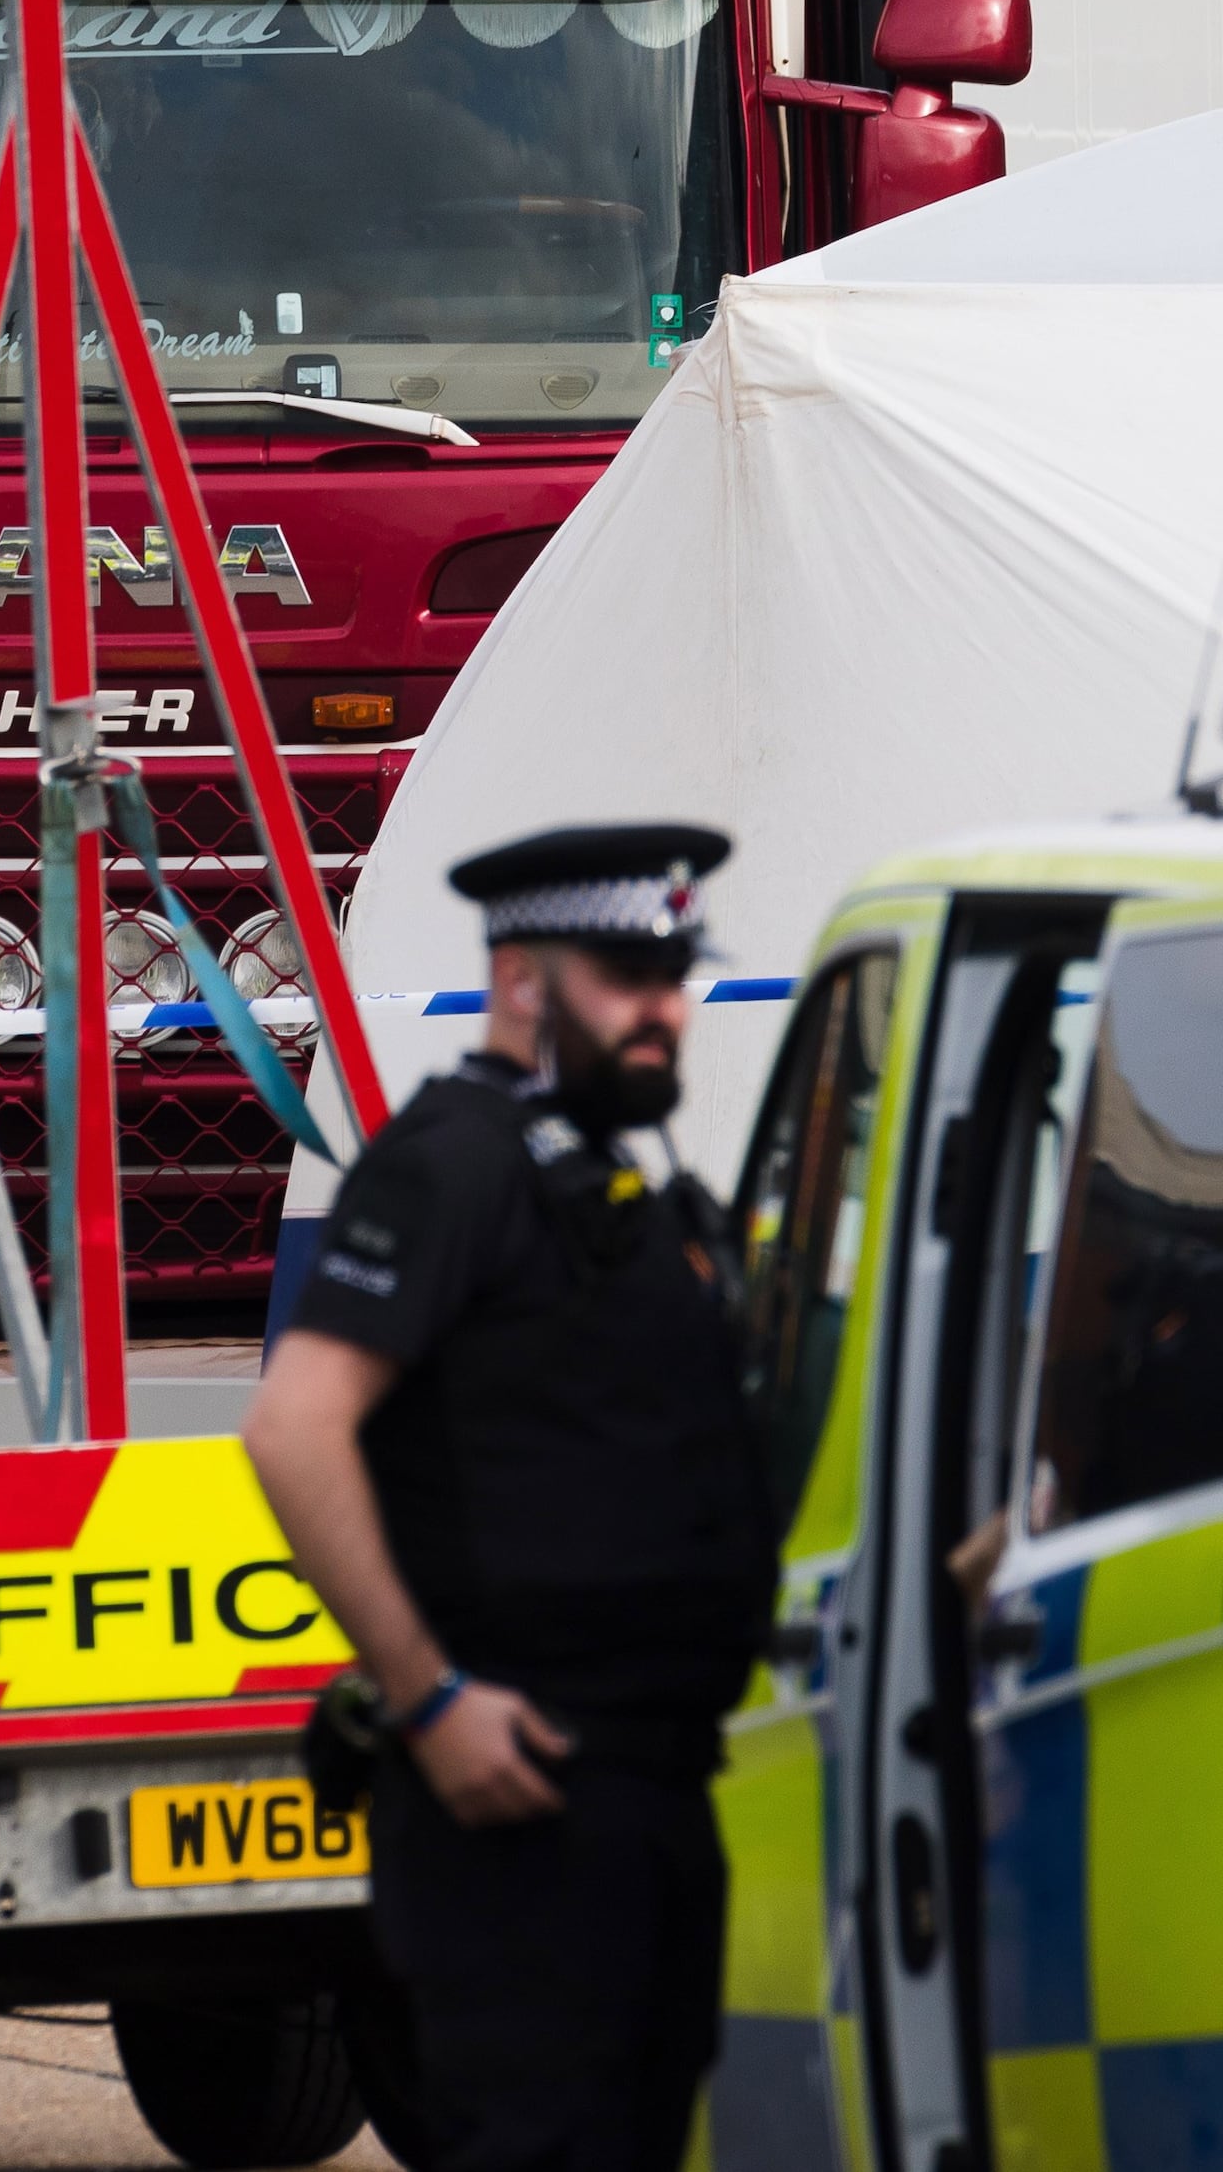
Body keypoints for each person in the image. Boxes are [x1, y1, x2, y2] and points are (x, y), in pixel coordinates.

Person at [244, 823, 782, 2172]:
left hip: (660, 1784)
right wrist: (426, 1697)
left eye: (676, 973)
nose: (667, 1008)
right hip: (517, 1799)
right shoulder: (452, 1164)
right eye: (628, 975)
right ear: (526, 977)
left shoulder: (626, 1185)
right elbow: (294, 1429)